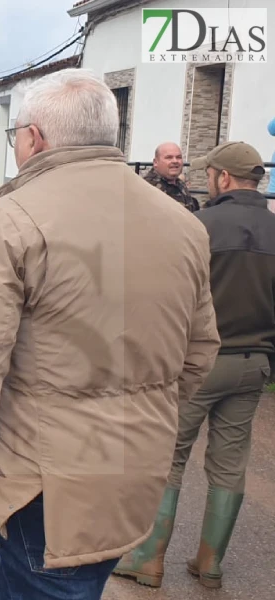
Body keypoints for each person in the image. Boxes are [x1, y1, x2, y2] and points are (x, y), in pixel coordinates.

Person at [0, 68, 219, 600]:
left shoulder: (8, 222)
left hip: (39, 488)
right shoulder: (185, 226)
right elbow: (199, 353)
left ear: (34, 138)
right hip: (134, 471)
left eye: (15, 134)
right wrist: (141, 417)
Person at [112, 141, 275, 590]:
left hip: (199, 362)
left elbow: (168, 297)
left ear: (222, 177)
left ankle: (148, 559)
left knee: (170, 457)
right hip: (254, 364)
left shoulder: (197, 227)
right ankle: (210, 563)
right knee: (230, 463)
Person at [143, 142, 199, 212]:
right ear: (155, 162)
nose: (175, 161)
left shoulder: (180, 184)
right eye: (169, 157)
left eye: (178, 157)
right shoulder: (147, 187)